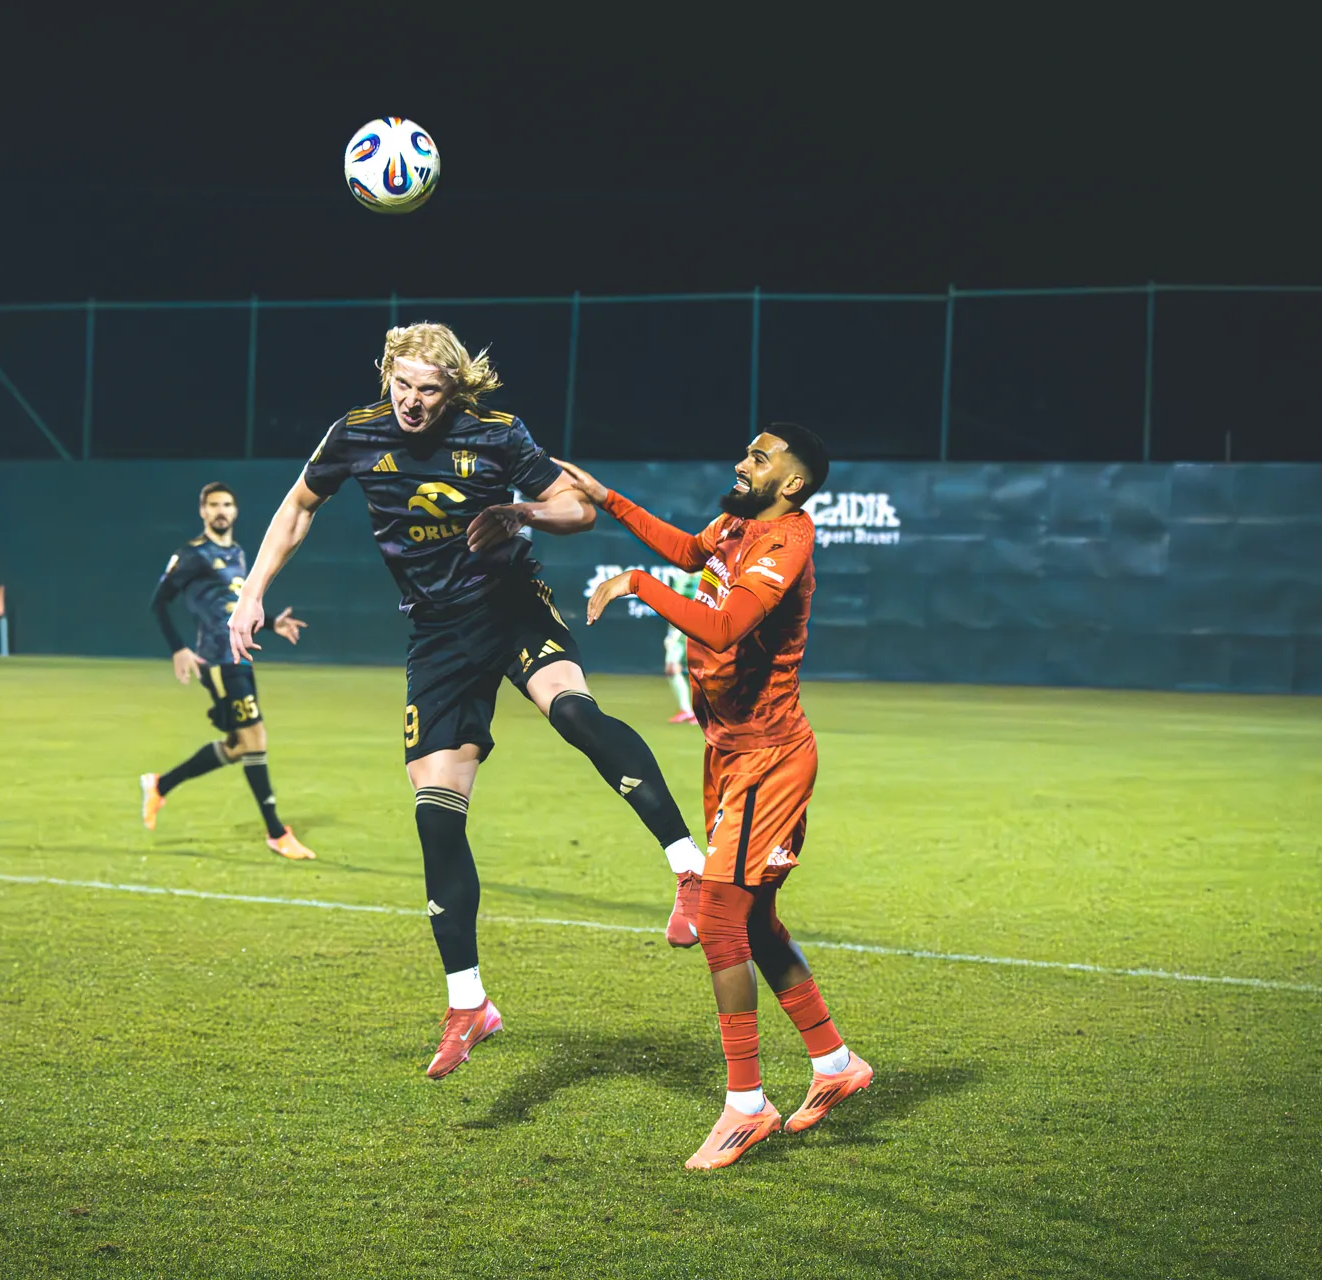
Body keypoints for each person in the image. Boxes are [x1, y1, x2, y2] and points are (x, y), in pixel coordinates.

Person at [228, 322, 707, 1079]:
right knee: (436, 816)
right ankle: (469, 1004)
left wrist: (521, 513)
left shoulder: (496, 433)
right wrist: (254, 589)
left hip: (510, 606)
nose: (413, 401)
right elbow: (297, 506)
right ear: (386, 375)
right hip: (436, 635)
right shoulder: (355, 433)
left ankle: (690, 871)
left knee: (574, 712)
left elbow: (576, 509)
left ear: (454, 390)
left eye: (429, 389)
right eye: (402, 384)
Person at [563, 423, 873, 1171]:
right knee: (755, 920)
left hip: (770, 758)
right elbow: (688, 552)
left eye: (759, 458)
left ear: (791, 483)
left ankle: (746, 1104)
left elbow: (729, 626)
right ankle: (835, 1064)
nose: (742, 463)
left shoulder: (786, 540)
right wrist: (609, 499)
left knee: (721, 918)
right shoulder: (737, 522)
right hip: (727, 752)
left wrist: (637, 585)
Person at [141, 482, 318, 861]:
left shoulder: (236, 553)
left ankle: (160, 785)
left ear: (235, 511)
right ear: (202, 511)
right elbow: (159, 603)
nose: (220, 511)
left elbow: (231, 607)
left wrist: (270, 622)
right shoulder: (192, 555)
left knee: (239, 746)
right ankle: (276, 833)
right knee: (255, 738)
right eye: (213, 505)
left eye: (226, 504)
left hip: (240, 656)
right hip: (218, 661)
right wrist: (179, 648)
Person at [661, 567, 698, 724]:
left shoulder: (704, 578)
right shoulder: (681, 579)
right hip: (678, 631)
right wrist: (672, 634)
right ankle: (686, 710)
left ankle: (701, 712)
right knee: (672, 668)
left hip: (696, 630)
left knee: (700, 672)